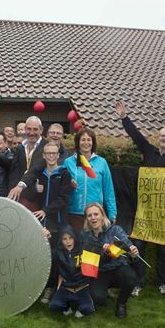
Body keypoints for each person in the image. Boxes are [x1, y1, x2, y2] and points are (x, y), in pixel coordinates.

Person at [115, 100, 165, 297]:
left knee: (164, 252)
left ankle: (162, 282)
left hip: (164, 212)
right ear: (158, 137)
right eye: (163, 135)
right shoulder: (149, 151)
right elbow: (136, 136)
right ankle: (139, 282)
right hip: (143, 210)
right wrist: (125, 117)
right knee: (138, 248)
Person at [81, 203, 138, 318]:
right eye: (89, 215)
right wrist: (106, 254)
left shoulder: (115, 230)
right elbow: (92, 263)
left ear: (102, 215)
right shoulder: (85, 236)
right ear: (86, 219)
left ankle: (121, 303)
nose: (93, 218)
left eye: (96, 214)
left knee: (130, 277)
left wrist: (133, 252)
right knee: (98, 299)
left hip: (118, 267)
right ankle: (104, 290)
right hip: (100, 271)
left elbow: (127, 246)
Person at [34, 143, 73, 303]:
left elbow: (63, 199)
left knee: (58, 257)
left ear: (58, 156)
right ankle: (47, 287)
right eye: (48, 153)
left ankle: (58, 289)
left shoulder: (64, 174)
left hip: (58, 223)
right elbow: (35, 199)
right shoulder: (39, 174)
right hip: (44, 223)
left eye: (54, 153)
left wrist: (46, 210)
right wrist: (36, 191)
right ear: (43, 155)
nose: (51, 156)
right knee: (46, 256)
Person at [62, 128, 117, 231]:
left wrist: (112, 214)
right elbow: (60, 181)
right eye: (83, 140)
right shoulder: (68, 162)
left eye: (89, 140)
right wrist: (68, 182)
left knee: (93, 246)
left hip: (94, 214)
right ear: (78, 142)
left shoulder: (102, 162)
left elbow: (108, 190)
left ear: (93, 142)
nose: (86, 143)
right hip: (74, 213)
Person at [48, 225, 94, 318]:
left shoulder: (83, 250)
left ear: (75, 238)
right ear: (60, 240)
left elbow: (97, 257)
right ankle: (66, 307)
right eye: (64, 239)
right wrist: (46, 238)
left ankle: (80, 310)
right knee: (54, 305)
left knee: (88, 309)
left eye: (70, 238)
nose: (68, 241)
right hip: (66, 288)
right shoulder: (57, 252)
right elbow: (45, 253)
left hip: (81, 288)